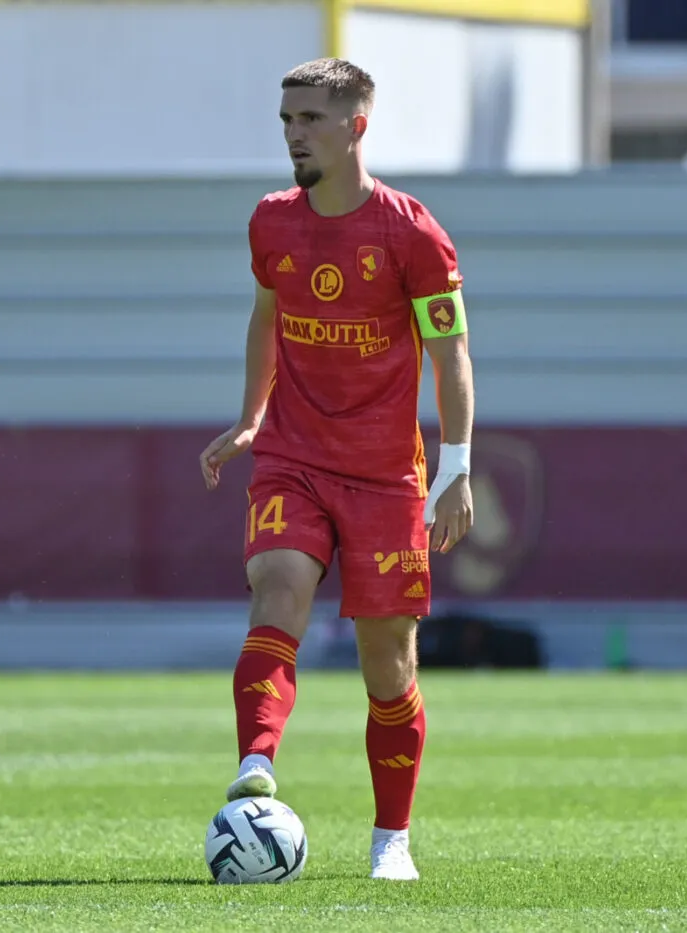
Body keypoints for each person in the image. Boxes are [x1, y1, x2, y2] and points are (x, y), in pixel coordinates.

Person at [199, 57, 475, 882]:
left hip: (386, 473)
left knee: (388, 662)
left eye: (309, 120)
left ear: (356, 125)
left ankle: (392, 838)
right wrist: (252, 415)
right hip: (293, 456)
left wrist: (456, 466)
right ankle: (257, 763)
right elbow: (265, 317)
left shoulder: (412, 232)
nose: (293, 135)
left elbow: (450, 351)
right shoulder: (270, 222)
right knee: (277, 584)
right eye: (286, 120)